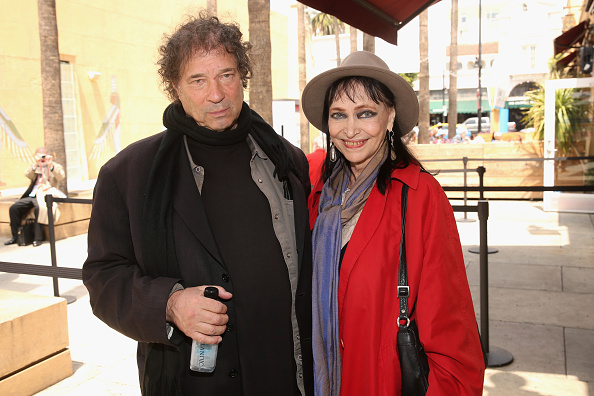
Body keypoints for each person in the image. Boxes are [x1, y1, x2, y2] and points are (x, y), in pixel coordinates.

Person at [82, 12, 313, 396]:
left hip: (288, 377)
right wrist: (169, 304)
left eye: (226, 75)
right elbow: (103, 277)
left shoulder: (287, 161)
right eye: (198, 80)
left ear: (243, 76)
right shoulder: (127, 173)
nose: (216, 94)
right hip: (189, 384)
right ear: (175, 87)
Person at [301, 51, 485, 395]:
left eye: (365, 113)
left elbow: (450, 325)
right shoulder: (320, 193)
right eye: (338, 115)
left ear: (390, 118)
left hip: (381, 382)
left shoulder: (418, 196)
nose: (350, 129)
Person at [5, 147, 65, 247]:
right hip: (33, 195)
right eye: (39, 155)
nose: (42, 158)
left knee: (40, 209)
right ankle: (16, 236)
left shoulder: (54, 166)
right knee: (14, 208)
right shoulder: (35, 166)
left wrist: (50, 165)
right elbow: (27, 174)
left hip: (45, 195)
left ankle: (38, 238)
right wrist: (36, 165)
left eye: (44, 155)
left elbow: (60, 177)